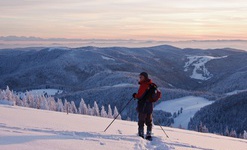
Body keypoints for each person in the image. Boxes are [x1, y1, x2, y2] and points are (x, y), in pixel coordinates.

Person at [132, 72, 153, 140]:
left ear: (145, 77)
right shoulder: (151, 85)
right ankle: (149, 134)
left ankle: (141, 134)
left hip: (143, 106)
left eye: (141, 77)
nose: (140, 78)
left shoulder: (143, 85)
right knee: (149, 121)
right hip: (150, 106)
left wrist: (135, 95)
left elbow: (140, 96)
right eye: (139, 77)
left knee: (141, 121)